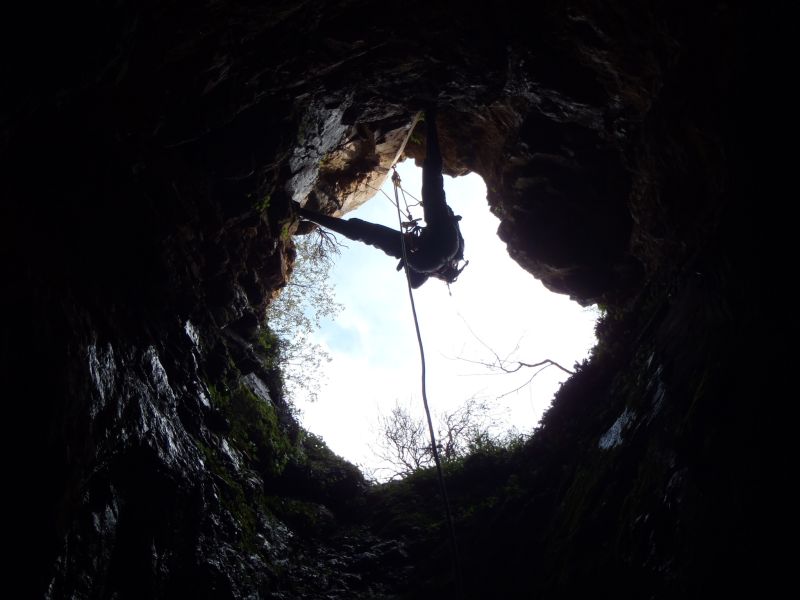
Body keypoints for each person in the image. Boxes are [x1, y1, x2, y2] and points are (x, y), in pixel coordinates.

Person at [296, 108, 466, 289]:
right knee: (364, 233)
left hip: (446, 237)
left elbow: (450, 218)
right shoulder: (426, 266)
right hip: (433, 246)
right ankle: (301, 212)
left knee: (433, 180)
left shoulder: (454, 252)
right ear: (440, 276)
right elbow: (414, 281)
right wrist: (410, 248)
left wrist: (439, 208)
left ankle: (430, 116)